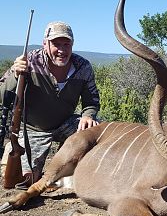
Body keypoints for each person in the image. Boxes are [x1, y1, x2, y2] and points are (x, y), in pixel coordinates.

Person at [0, 21, 100, 188]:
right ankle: (14, 154)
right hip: (33, 129)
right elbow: (3, 95)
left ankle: (68, 167)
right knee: (24, 181)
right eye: (56, 44)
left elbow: (92, 100)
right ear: (45, 44)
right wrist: (15, 75)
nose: (62, 50)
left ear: (72, 45)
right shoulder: (29, 61)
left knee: (95, 132)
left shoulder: (83, 67)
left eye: (66, 44)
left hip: (66, 124)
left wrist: (88, 115)